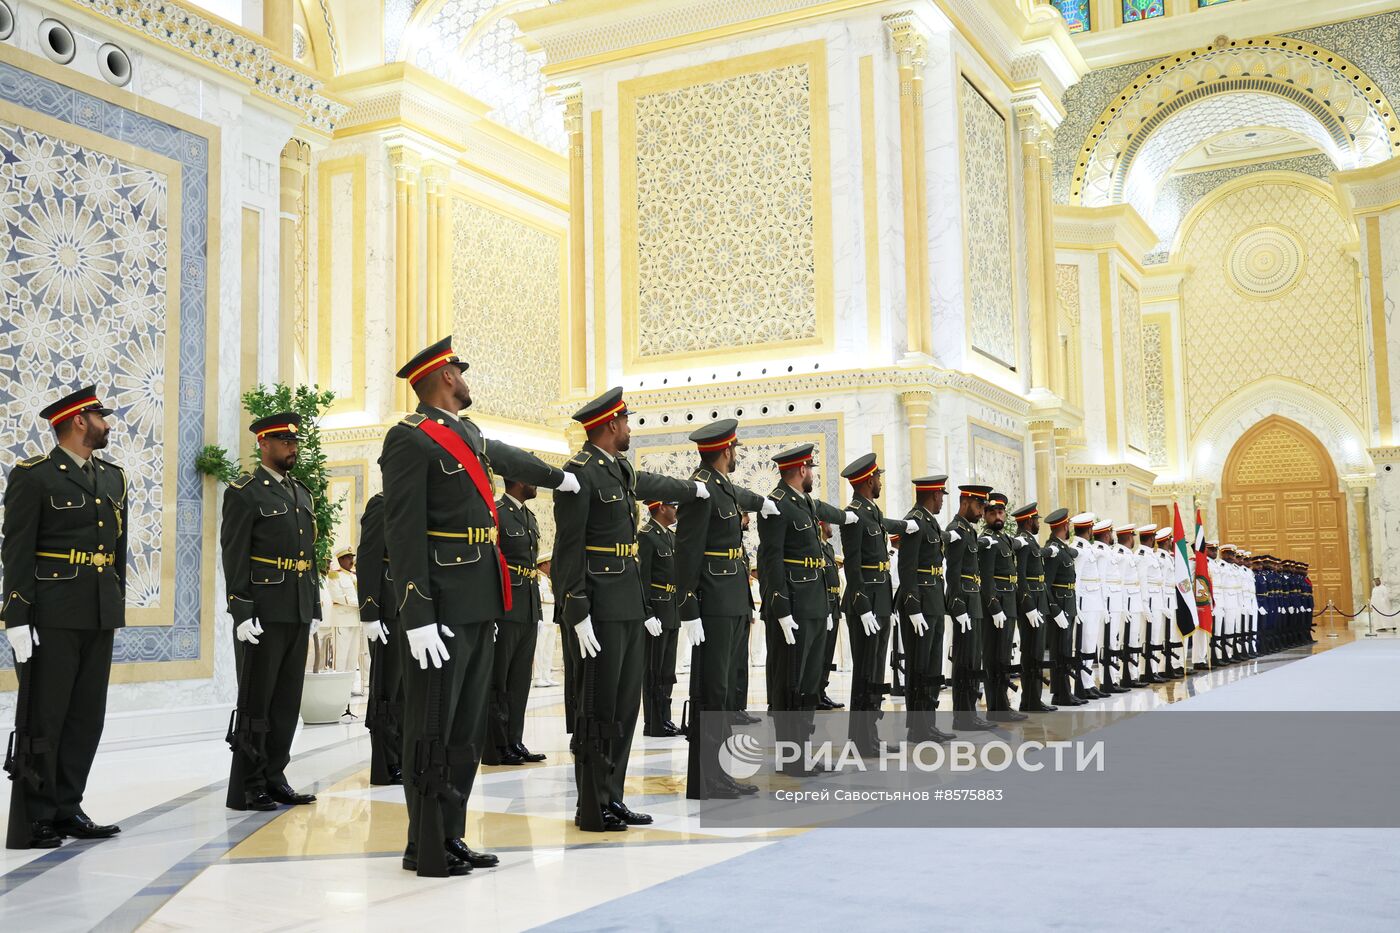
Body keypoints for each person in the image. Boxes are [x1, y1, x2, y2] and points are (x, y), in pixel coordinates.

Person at [381, 336, 579, 876]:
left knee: (464, 729)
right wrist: (416, 613)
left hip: (478, 600)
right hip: (440, 606)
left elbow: (509, 457)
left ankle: (451, 832)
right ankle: (424, 842)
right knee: (433, 727)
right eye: (461, 372)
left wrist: (558, 475)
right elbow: (401, 534)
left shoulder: (467, 434)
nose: (467, 379)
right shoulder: (409, 439)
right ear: (445, 376)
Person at [553, 388, 703, 827]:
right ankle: (591, 804)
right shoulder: (579, 474)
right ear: (610, 425)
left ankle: (612, 794)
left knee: (623, 709)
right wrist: (576, 607)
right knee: (596, 708)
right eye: (626, 422)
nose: (629, 429)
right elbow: (568, 547)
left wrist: (693, 489)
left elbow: (655, 484)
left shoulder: (619, 471)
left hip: (628, 605)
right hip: (599, 608)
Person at [2, 387, 126, 849]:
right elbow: (15, 549)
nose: (107, 424)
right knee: (45, 717)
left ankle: (68, 806)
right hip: (51, 614)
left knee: (85, 716)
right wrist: (16, 615)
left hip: (98, 611)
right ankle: (36, 816)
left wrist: (114, 601)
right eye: (100, 416)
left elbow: (118, 551)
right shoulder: (34, 476)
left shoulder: (114, 478)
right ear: (78, 421)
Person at [221, 412, 322, 814]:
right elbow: (235, 555)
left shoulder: (301, 493)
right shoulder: (245, 492)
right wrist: (241, 610)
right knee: (257, 702)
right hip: (262, 613)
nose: (291, 447)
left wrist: (312, 605)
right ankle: (249, 783)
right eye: (283, 441)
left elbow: (308, 557)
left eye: (294, 442)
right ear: (264, 444)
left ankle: (275, 776)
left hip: (295, 608)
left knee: (286, 702)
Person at [676, 418, 772, 799]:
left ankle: (719, 774)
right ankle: (707, 778)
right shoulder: (701, 490)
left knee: (726, 693)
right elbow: (688, 550)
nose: (736, 455)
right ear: (725, 450)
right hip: (712, 603)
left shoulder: (724, 488)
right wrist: (688, 605)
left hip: (731, 598)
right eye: (734, 450)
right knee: (712, 692)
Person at [756, 444, 855, 761]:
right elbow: (771, 562)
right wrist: (781, 608)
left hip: (814, 604)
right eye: (811, 469)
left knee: (810, 680)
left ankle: (804, 748)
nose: (812, 474)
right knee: (792, 681)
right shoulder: (777, 505)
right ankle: (791, 754)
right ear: (801, 470)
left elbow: (828, 512)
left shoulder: (805, 503)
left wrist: (849, 516)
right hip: (795, 606)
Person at [838, 454, 919, 753]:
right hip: (866, 604)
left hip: (881, 601)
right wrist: (862, 605)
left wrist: (910, 525)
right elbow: (853, 565)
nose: (881, 482)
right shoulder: (855, 514)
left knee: (875, 670)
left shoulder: (872, 512)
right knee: (864, 670)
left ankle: (869, 733)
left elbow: (888, 527)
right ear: (869, 480)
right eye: (879, 478)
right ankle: (861, 737)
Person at [483, 479, 547, 766]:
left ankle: (514, 739)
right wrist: (492, 609)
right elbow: (488, 562)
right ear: (520, 481)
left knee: (520, 680)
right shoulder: (497, 512)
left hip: (528, 606)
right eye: (532, 479)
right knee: (500, 680)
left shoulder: (527, 516)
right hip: (506, 607)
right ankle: (495, 746)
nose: (537, 485)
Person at [897, 476, 953, 741]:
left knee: (931, 666)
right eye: (941, 495)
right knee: (918, 666)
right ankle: (917, 727)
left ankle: (928, 723)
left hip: (933, 601)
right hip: (920, 604)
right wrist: (913, 606)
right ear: (933, 495)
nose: (943, 499)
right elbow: (906, 568)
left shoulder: (929, 520)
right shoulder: (914, 521)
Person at [356, 492, 404, 786]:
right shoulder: (382, 503)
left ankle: (403, 755)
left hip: (414, 610)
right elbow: (369, 556)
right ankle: (386, 764)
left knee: (407, 693)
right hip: (388, 610)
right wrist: (369, 611)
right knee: (387, 690)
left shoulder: (417, 501)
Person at [944, 483, 993, 730]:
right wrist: (958, 606)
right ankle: (962, 716)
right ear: (964, 503)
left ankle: (970, 712)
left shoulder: (969, 531)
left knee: (974, 660)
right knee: (963, 661)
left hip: (974, 602)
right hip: (964, 602)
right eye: (978, 505)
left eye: (983, 506)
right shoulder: (956, 530)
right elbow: (952, 574)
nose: (981, 511)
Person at [977, 493, 1025, 721]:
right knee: (994, 657)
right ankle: (996, 707)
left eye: (1001, 512)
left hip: (1009, 603)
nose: (998, 516)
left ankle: (1003, 705)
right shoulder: (986, 540)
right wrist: (993, 605)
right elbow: (985, 578)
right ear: (985, 514)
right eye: (993, 512)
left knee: (1004, 656)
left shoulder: (1004, 539)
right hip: (996, 606)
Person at [639, 501, 681, 737]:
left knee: (667, 671)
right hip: (656, 610)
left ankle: (665, 717)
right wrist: (647, 612)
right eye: (673, 506)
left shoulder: (670, 538)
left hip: (672, 610)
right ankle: (653, 722)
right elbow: (642, 577)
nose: (676, 511)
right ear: (661, 508)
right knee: (654, 669)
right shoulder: (647, 536)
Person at [1010, 502, 1054, 712]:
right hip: (1030, 606)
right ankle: (1030, 700)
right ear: (1028, 521)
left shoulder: (1031, 541)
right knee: (1031, 653)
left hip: (1038, 603)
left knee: (1035, 653)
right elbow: (1021, 577)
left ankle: (1032, 699)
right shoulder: (1023, 542)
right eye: (1036, 520)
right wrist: (1028, 605)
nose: (1038, 523)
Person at [1041, 509, 1083, 706]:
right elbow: (1045, 584)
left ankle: (1062, 691)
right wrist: (1054, 609)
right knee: (1061, 651)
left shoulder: (1062, 548)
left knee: (1065, 649)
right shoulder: (1053, 550)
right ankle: (1062, 693)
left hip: (1068, 604)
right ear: (1065, 526)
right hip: (1060, 606)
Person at [1071, 513, 1107, 700]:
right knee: (1084, 645)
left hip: (1094, 603)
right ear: (1089, 529)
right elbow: (1075, 579)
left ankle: (1089, 682)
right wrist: (1076, 606)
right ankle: (1083, 684)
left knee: (1090, 644)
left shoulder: (1088, 548)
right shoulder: (1078, 549)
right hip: (1085, 604)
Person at [816, 521, 844, 710]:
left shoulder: (829, 548)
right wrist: (824, 607)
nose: (831, 528)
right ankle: (815, 694)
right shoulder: (816, 548)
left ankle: (822, 692)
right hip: (824, 604)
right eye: (828, 524)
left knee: (828, 654)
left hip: (834, 604)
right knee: (820, 654)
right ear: (821, 526)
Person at [327, 546, 363, 691]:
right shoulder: (334, 576)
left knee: (352, 657)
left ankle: (348, 687)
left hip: (355, 620)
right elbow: (337, 596)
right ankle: (337, 687)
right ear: (340, 560)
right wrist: (359, 603)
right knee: (341, 656)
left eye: (352, 557)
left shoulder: (354, 576)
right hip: (342, 620)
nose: (351, 560)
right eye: (348, 558)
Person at [533, 558, 557, 687]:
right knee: (539, 648)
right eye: (550, 563)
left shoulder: (548, 579)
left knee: (549, 648)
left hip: (551, 617)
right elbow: (540, 596)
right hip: (542, 617)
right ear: (543, 564)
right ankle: (537, 677)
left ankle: (546, 676)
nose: (551, 566)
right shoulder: (537, 577)